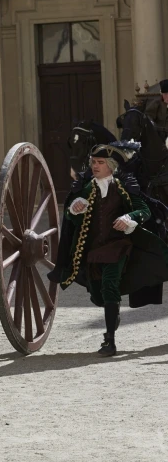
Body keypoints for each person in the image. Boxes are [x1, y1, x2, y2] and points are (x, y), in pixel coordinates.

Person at [48, 143, 168, 356]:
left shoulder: (123, 188)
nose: (95, 166)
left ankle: (109, 341)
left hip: (119, 247)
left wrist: (129, 217)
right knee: (99, 294)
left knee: (109, 285)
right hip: (93, 250)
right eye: (93, 162)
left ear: (111, 166)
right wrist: (75, 208)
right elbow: (69, 216)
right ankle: (113, 314)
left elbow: (144, 211)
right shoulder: (86, 189)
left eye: (100, 162)